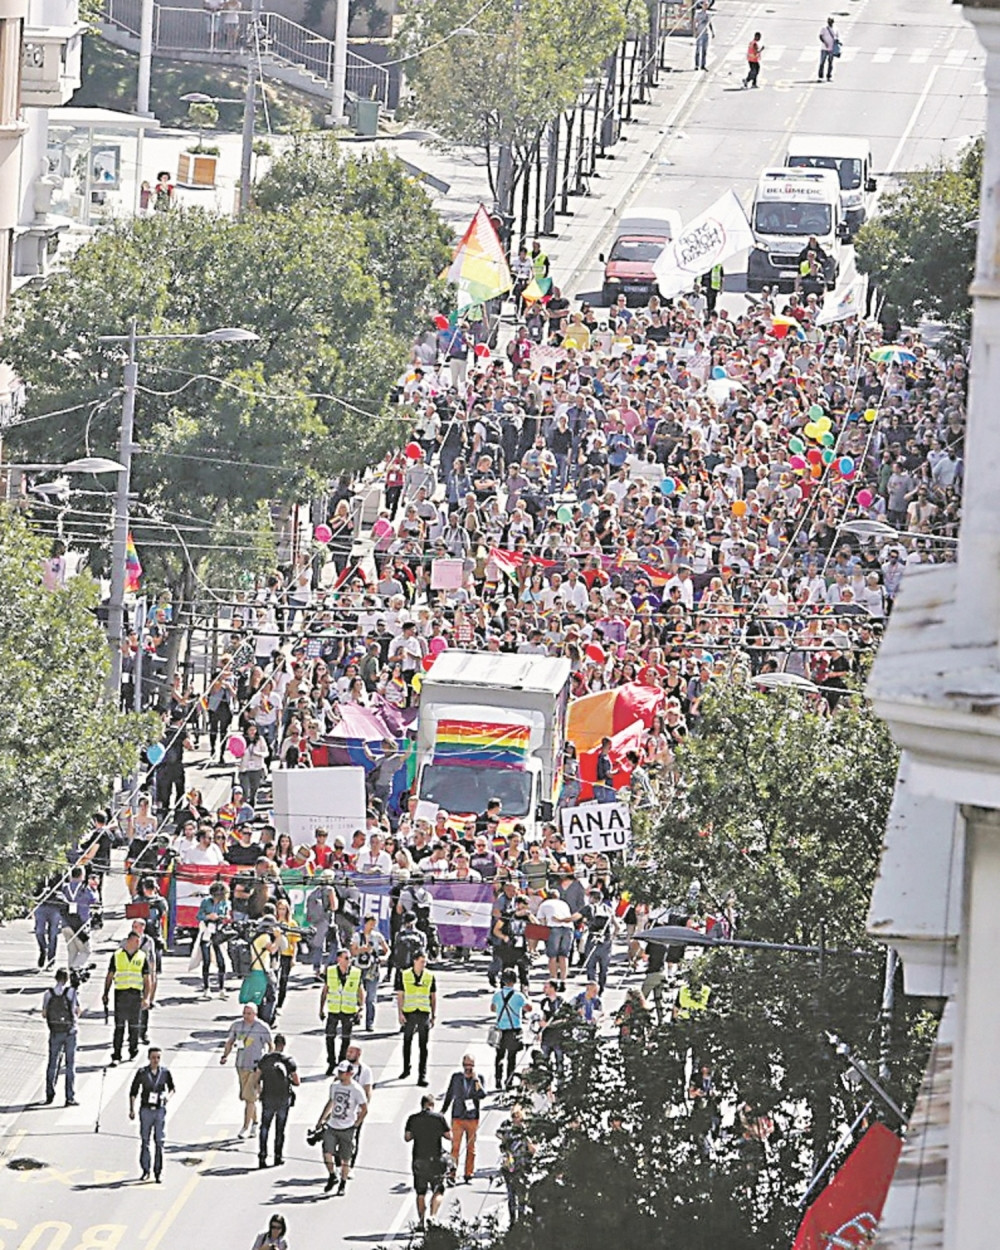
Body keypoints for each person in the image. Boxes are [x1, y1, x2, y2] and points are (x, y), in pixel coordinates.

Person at [313, 1060, 369, 1195]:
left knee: (345, 1159)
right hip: (332, 1126)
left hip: (347, 1128)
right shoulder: (335, 1086)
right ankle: (332, 1175)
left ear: (350, 1074)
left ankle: (343, 1183)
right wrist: (321, 1120)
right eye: (339, 1072)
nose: (339, 1074)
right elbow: (331, 1102)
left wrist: (356, 1123)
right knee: (327, 1153)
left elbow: (364, 1108)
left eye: (342, 1072)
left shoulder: (356, 1090)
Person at [220, 1002, 273, 1138]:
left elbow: (270, 1045)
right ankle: (255, 1122)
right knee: (247, 1097)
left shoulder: (262, 1027)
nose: (246, 1016)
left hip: (256, 1067)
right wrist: (225, 1055)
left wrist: (268, 1062)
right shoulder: (237, 1025)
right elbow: (230, 1042)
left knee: (250, 1097)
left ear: (255, 1014)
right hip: (241, 1064)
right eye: (244, 1013)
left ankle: (245, 1127)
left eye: (249, 1013)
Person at [102, 930, 152, 1066]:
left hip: (135, 995)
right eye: (136, 941)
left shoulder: (142, 957)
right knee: (119, 1026)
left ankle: (133, 1049)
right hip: (121, 994)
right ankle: (116, 1054)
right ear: (129, 941)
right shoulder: (117, 955)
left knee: (134, 1025)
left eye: (139, 941)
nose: (138, 943)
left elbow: (147, 979)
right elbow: (110, 976)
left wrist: (147, 998)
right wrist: (105, 993)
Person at [404, 1093, 452, 1230]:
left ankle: (421, 1221)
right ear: (432, 1105)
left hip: (419, 1158)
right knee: (439, 1189)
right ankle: (433, 1215)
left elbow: (407, 1137)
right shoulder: (439, 1118)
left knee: (420, 1193)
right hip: (436, 1158)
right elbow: (449, 1136)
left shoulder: (413, 1118)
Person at [128, 1046, 175, 1182]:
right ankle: (146, 1170)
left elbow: (172, 1088)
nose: (156, 1060)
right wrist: (131, 1109)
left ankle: (158, 1172)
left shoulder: (165, 1072)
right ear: (149, 1058)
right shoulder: (142, 1072)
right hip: (146, 1110)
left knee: (159, 1141)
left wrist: (168, 1097)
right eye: (153, 1057)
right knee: (145, 1141)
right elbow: (133, 1091)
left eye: (158, 1058)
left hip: (159, 1110)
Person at [255, 1032, 299, 1168]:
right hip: (283, 1098)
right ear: (284, 1045)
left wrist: (259, 1090)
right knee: (280, 1129)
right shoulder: (288, 1060)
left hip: (268, 1097)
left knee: (264, 1128)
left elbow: (256, 1078)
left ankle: (262, 1157)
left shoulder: (265, 1059)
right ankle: (277, 1157)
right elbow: (297, 1082)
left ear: (274, 1043)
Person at [441, 1053, 485, 1183]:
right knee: (455, 1147)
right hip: (458, 1116)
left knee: (471, 1147)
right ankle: (452, 1173)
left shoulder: (479, 1078)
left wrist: (476, 1080)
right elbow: (450, 1094)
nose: (468, 1068)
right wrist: (444, 1110)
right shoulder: (456, 1078)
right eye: (466, 1065)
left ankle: (468, 1173)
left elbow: (482, 1094)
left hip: (472, 1117)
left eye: (470, 1066)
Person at [320, 947, 365, 1072]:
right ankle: (331, 1062)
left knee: (346, 1038)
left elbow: (360, 991)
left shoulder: (356, 972)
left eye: (350, 958)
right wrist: (321, 1008)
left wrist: (361, 1007)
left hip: (348, 1010)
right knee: (329, 1037)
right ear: (339, 959)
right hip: (334, 1009)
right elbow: (325, 990)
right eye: (346, 958)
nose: (349, 960)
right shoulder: (331, 971)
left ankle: (341, 1062)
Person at [396, 950, 436, 1085]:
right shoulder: (405, 975)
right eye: (421, 961)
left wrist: (433, 1015)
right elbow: (400, 994)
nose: (424, 964)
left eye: (425, 962)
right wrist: (400, 1013)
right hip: (409, 1012)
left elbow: (433, 996)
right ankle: (406, 1068)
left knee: (423, 1045)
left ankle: (422, 1075)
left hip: (424, 1012)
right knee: (407, 1041)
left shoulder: (430, 976)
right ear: (414, 961)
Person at [42, 967, 80, 1106]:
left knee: (53, 1063)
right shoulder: (71, 992)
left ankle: (49, 1093)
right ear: (67, 979)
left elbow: (44, 1013)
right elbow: (76, 1011)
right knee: (70, 1065)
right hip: (70, 1032)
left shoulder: (48, 993)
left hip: (55, 1031)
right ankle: (69, 1096)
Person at [492, 969, 530, 1091]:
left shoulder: (497, 995)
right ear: (515, 981)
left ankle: (497, 1079)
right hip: (513, 1030)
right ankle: (508, 1081)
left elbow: (493, 1008)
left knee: (499, 1056)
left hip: (500, 1030)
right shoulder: (519, 996)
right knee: (511, 1057)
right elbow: (528, 1008)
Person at [497, 1103, 535, 1223]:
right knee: (511, 1195)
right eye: (514, 1116)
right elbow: (499, 1136)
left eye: (518, 1116)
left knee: (522, 1195)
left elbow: (533, 1150)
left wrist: (527, 1139)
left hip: (523, 1166)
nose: (516, 1119)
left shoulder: (528, 1132)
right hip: (510, 1167)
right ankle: (513, 1220)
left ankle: (522, 1220)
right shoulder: (509, 1131)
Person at [351, 914, 390, 1031]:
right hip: (359, 967)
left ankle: (370, 1022)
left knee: (371, 997)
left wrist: (385, 957)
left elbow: (387, 950)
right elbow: (352, 952)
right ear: (365, 923)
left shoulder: (377, 936)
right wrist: (362, 950)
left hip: (373, 968)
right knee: (356, 994)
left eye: (374, 924)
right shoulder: (357, 936)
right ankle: (356, 1015)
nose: (373, 926)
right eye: (371, 923)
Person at [818, 15, 839, 81]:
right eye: (829, 21)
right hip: (824, 48)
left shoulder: (835, 29)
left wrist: (837, 42)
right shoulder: (824, 28)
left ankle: (829, 76)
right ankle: (820, 77)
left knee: (830, 63)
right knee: (822, 63)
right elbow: (820, 36)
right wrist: (825, 43)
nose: (830, 23)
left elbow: (837, 37)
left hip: (831, 49)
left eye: (831, 21)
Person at [693, 0, 713, 70]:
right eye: (704, 5)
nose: (706, 6)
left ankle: (703, 65)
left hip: (706, 33)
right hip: (699, 33)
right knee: (698, 50)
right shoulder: (698, 13)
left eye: (707, 5)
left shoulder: (708, 14)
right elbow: (695, 22)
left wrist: (712, 32)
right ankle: (696, 65)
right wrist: (695, 32)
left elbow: (709, 23)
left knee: (704, 50)